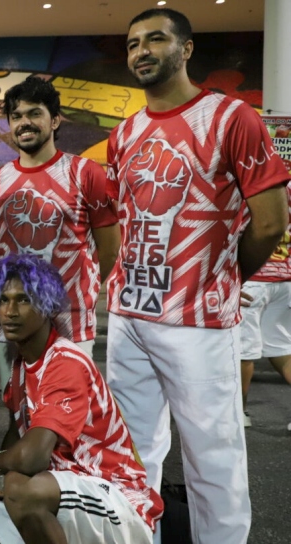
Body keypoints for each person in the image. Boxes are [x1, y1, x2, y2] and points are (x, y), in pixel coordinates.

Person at [106, 8, 289, 542]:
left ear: (185, 49)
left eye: (156, 39)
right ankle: (138, 535)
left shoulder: (232, 118)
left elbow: (272, 219)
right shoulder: (125, 134)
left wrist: (222, 279)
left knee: (212, 455)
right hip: (129, 315)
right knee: (132, 447)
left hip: (198, 320)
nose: (141, 50)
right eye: (133, 42)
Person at [0, 254, 163, 544]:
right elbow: (17, 434)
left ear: (47, 306)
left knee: (20, 489)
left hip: (115, 499)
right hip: (61, 491)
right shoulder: (20, 364)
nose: (10, 311)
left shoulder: (65, 362)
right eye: (3, 300)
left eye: (23, 300)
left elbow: (30, 456)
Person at [0, 75, 119, 390]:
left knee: (68, 415)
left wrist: (82, 290)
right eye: (16, 116)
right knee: (16, 411)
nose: (24, 123)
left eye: (34, 113)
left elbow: (110, 248)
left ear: (55, 120)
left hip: (69, 319)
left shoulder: (85, 174)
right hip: (10, 321)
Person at [240, 185, 291, 427]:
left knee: (243, 351)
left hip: (254, 278)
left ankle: (239, 413)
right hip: (286, 277)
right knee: (282, 348)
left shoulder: (253, 184)